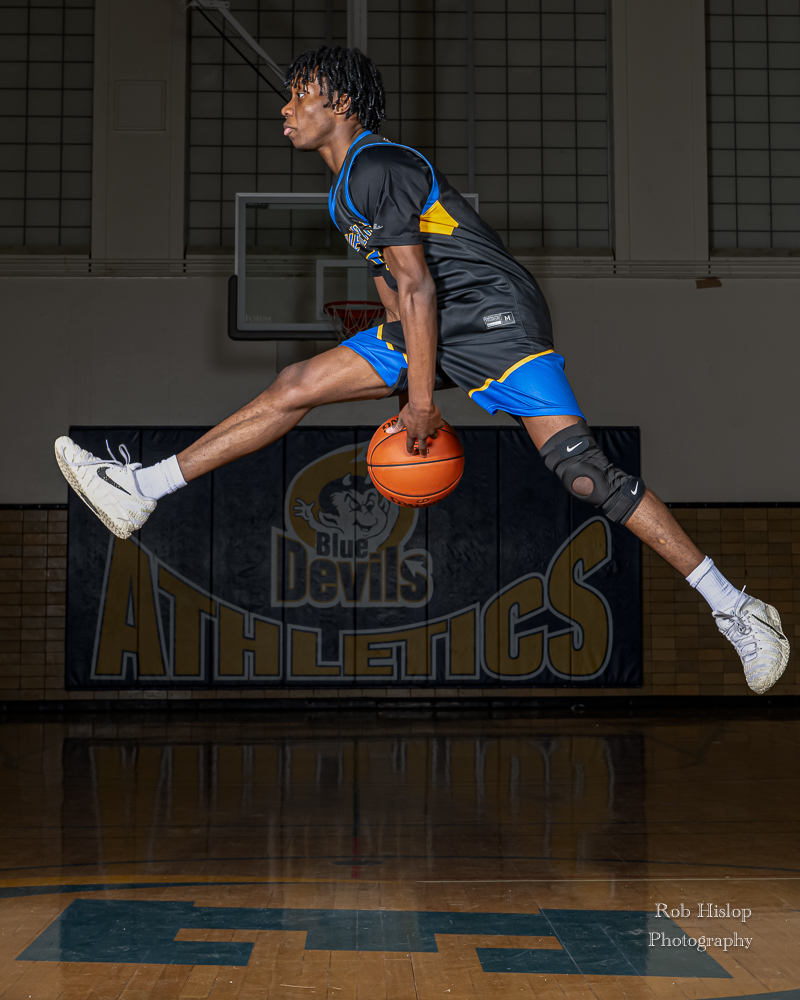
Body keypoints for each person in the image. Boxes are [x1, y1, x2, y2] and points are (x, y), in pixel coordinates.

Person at [55, 46, 789, 694]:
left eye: (299, 95)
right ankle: (142, 489)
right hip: (431, 321)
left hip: (496, 317)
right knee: (296, 385)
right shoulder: (345, 190)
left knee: (584, 474)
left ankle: (736, 608)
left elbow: (419, 286)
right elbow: (391, 288)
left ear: (340, 103)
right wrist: (401, 377)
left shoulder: (380, 165)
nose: (285, 109)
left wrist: (419, 402)